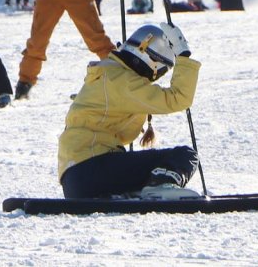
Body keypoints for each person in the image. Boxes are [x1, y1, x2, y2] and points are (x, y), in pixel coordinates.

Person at [57, 24, 200, 200]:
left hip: (75, 181)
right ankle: (161, 185)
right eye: (162, 70)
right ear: (152, 62)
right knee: (184, 155)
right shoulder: (122, 81)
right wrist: (183, 55)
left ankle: (131, 192)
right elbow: (178, 98)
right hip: (93, 168)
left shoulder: (108, 74)